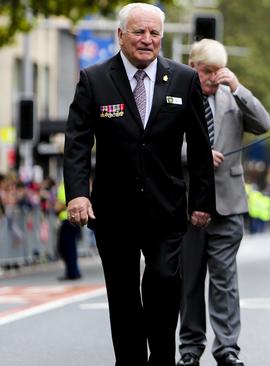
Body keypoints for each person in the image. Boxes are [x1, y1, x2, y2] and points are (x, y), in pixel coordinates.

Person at [63, 3, 215, 365]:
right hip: (114, 211)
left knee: (164, 282)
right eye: (139, 32)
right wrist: (78, 195)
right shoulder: (94, 78)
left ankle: (162, 356)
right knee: (124, 296)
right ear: (120, 35)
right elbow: (77, 143)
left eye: (154, 33)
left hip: (166, 209)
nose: (147, 40)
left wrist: (202, 202)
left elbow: (199, 145)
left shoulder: (184, 79)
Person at [176, 38, 270, 366]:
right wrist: (195, 155)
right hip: (189, 207)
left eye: (218, 71)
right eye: (206, 71)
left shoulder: (232, 98)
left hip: (228, 205)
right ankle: (189, 348)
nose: (213, 78)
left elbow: (264, 124)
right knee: (189, 282)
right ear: (192, 67)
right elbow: (160, 145)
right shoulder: (175, 96)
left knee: (225, 281)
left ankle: (227, 348)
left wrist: (240, 88)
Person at [55, 181, 82, 280]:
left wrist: (57, 208)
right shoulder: (70, 184)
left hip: (68, 220)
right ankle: (73, 271)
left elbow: (62, 204)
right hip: (70, 220)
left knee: (66, 247)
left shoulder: (65, 186)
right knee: (69, 247)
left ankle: (73, 272)